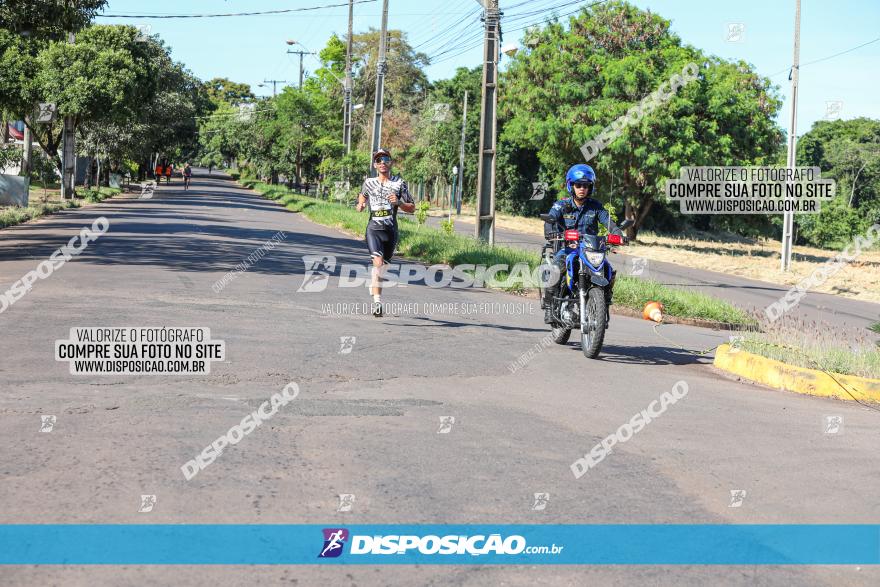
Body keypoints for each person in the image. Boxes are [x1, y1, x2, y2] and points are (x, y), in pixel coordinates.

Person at [543, 164, 624, 323]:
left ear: (590, 187)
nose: (582, 188)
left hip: (590, 251)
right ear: (571, 185)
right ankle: (549, 308)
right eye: (578, 185)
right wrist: (551, 232)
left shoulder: (596, 207)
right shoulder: (562, 205)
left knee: (608, 271)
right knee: (556, 270)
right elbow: (550, 219)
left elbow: (609, 223)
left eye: (586, 185)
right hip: (567, 249)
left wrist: (617, 234)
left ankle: (603, 302)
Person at [355, 149, 416, 317]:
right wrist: (360, 205)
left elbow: (412, 207)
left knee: (383, 267)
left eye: (385, 159)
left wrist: (400, 204)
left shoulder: (399, 183)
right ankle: (377, 303)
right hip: (374, 228)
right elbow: (362, 197)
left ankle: (373, 282)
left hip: (391, 230)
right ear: (375, 165)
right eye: (378, 159)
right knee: (378, 263)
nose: (382, 162)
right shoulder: (369, 182)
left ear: (391, 162)